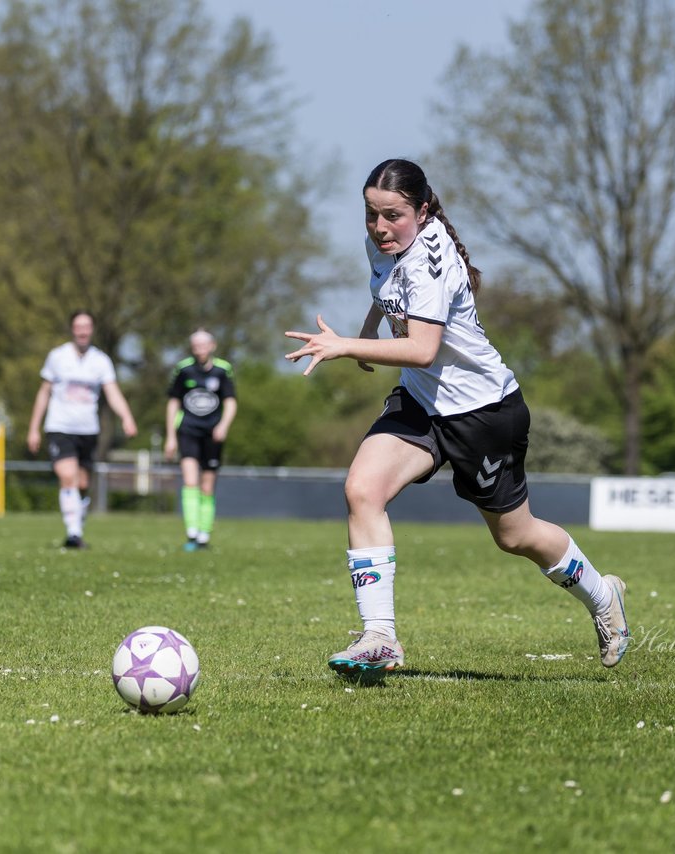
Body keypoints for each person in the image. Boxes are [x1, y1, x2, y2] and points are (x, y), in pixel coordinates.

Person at [284, 158, 630, 677]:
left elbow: (423, 349)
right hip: (423, 403)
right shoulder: (385, 243)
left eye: (393, 216)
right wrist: (368, 331)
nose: (379, 227)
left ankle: (604, 595)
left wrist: (345, 346)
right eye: (371, 215)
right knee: (362, 490)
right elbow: (385, 288)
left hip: (485, 413)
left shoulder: (429, 259)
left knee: (515, 536)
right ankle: (380, 638)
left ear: (422, 212)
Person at [27, 310, 138, 549]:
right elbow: (44, 392)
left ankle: (77, 523)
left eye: (86, 326)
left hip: (88, 429)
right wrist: (33, 428)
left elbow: (112, 392)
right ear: (72, 329)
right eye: (78, 326)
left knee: (83, 483)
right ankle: (74, 533)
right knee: (68, 476)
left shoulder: (101, 361)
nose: (82, 331)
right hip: (59, 426)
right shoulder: (57, 357)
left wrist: (127, 417)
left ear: (92, 330)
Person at [165, 328, 238, 551]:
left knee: (207, 486)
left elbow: (231, 401)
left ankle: (204, 534)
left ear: (212, 345)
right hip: (188, 430)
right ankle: (192, 533)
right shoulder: (183, 369)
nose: (200, 349)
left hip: (212, 434)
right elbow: (173, 402)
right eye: (195, 345)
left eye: (203, 344)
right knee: (190, 481)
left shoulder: (222, 370)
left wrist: (223, 425)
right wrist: (170, 436)